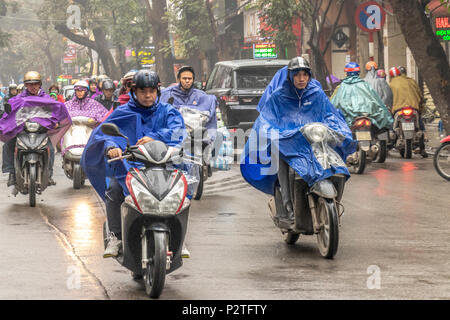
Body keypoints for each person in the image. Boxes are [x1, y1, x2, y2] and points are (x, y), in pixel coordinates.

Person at [81, 70, 186, 258]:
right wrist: (112, 146)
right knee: (113, 190)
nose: (147, 95)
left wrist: (154, 137)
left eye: (152, 91)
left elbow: (178, 130)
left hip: (163, 165)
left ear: (157, 92)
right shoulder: (123, 112)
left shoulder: (167, 111)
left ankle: (180, 239)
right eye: (143, 91)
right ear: (133, 92)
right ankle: (115, 237)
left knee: (180, 191)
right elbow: (105, 133)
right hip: (130, 166)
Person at [240, 57, 356, 227]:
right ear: (290, 76)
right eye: (297, 75)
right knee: (282, 161)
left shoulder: (316, 94)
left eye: (305, 74)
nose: (301, 79)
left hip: (314, 143)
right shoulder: (278, 97)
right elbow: (266, 121)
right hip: (288, 144)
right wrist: (277, 134)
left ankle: (333, 205)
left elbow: (330, 115)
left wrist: (339, 131)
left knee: (338, 169)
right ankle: (288, 207)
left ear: (309, 76)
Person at [0, 71, 69, 186]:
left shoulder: (47, 99)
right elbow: (10, 114)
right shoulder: (18, 99)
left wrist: (56, 122)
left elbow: (55, 112)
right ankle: (12, 173)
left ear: (40, 84)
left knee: (50, 149)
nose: (33, 86)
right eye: (30, 84)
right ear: (26, 85)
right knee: (8, 145)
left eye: (35, 83)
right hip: (21, 131)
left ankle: (49, 175)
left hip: (41, 132)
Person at [160, 65, 218, 197]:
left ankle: (204, 165)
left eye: (190, 78)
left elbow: (210, 113)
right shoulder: (168, 94)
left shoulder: (202, 96)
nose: (187, 81)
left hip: (196, 132)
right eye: (184, 78)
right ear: (179, 79)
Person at [331, 62, 393, 133]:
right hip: (367, 116)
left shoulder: (341, 87)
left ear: (346, 73)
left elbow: (334, 103)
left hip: (350, 121)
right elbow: (377, 100)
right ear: (358, 72)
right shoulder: (365, 85)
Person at [389, 66, 428, 157]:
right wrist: (421, 105)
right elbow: (419, 94)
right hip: (413, 107)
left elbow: (388, 98)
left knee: (391, 123)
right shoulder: (411, 81)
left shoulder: (391, 84)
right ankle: (422, 149)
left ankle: (391, 141)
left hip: (398, 109)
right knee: (420, 126)